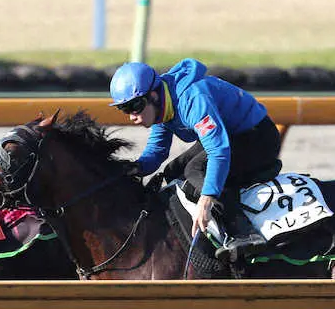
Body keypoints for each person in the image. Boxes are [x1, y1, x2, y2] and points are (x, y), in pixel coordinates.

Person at [109, 59, 282, 262]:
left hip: (258, 138)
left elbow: (219, 151)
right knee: (173, 170)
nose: (132, 116)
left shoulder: (192, 98)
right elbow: (156, 153)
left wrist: (206, 199)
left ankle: (243, 234)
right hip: (230, 135)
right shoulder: (163, 102)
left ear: (153, 95)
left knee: (194, 170)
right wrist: (131, 169)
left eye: (134, 106)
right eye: (124, 109)